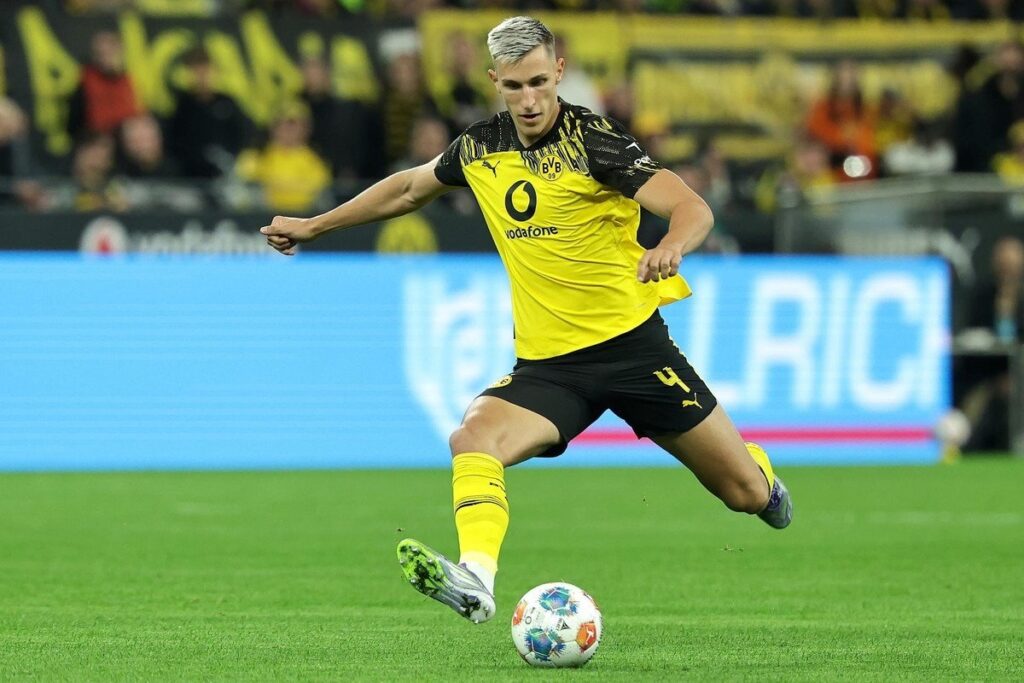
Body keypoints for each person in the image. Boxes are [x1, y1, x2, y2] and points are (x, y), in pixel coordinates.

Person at [260, 16, 793, 624]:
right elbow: (409, 189)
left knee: (745, 494)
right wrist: (315, 226)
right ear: (495, 82)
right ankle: (476, 577)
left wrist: (671, 244)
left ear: (559, 72)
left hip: (635, 352)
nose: (530, 99)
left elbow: (690, 206)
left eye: (539, 82)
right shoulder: (480, 147)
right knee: (473, 437)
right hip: (551, 367)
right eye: (514, 86)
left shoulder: (594, 140)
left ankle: (759, 473)